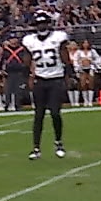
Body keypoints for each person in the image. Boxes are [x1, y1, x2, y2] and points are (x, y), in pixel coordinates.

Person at [23, 15, 69, 160]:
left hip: (56, 79)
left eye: (43, 23)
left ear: (49, 24)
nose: (41, 26)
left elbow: (65, 57)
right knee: (39, 115)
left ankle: (58, 142)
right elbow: (27, 60)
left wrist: (68, 75)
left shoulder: (58, 37)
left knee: (55, 113)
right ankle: (36, 148)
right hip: (40, 80)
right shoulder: (29, 40)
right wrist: (28, 77)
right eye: (38, 23)